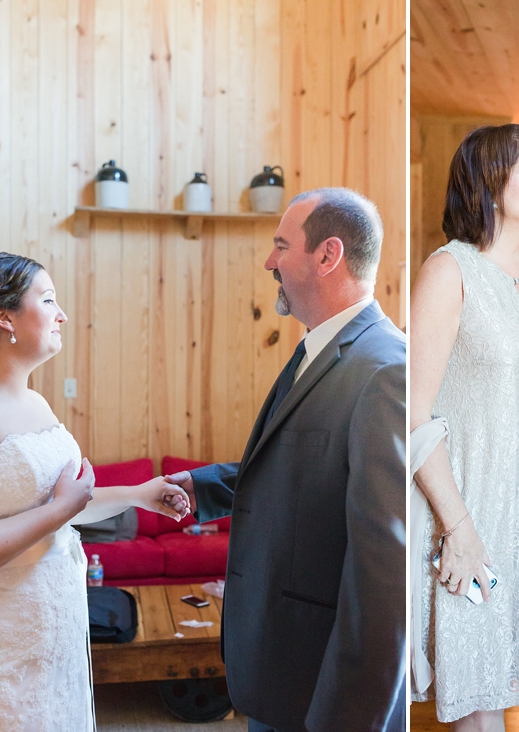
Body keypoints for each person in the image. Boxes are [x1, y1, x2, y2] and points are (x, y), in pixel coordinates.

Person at [164, 187, 406, 732]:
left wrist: (351, 716)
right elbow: (309, 466)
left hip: (324, 687)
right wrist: (201, 487)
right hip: (283, 670)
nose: (269, 261)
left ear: (328, 256)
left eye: (281, 245)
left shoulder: (385, 370)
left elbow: (384, 576)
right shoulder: (317, 348)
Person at [0, 252, 190, 730]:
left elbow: (60, 504)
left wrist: (137, 494)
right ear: (4, 318)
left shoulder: (36, 402)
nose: (62, 314)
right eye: (47, 300)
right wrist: (62, 507)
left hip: (52, 632)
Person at [410, 124, 519, 730]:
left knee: (511, 693)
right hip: (472, 511)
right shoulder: (450, 271)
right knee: (475, 702)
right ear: (487, 181)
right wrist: (459, 528)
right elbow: (414, 414)